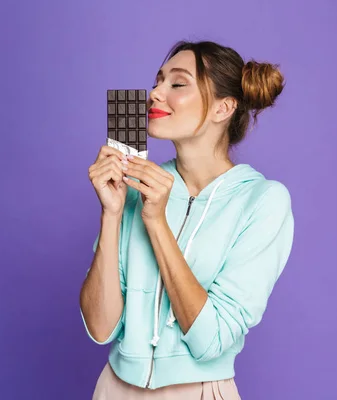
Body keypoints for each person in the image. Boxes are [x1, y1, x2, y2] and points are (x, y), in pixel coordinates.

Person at [80, 40, 295, 399]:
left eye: (177, 84)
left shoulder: (263, 201)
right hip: (114, 388)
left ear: (223, 108)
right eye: (157, 81)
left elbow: (211, 342)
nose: (154, 93)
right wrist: (112, 214)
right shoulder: (135, 187)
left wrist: (157, 221)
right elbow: (100, 328)